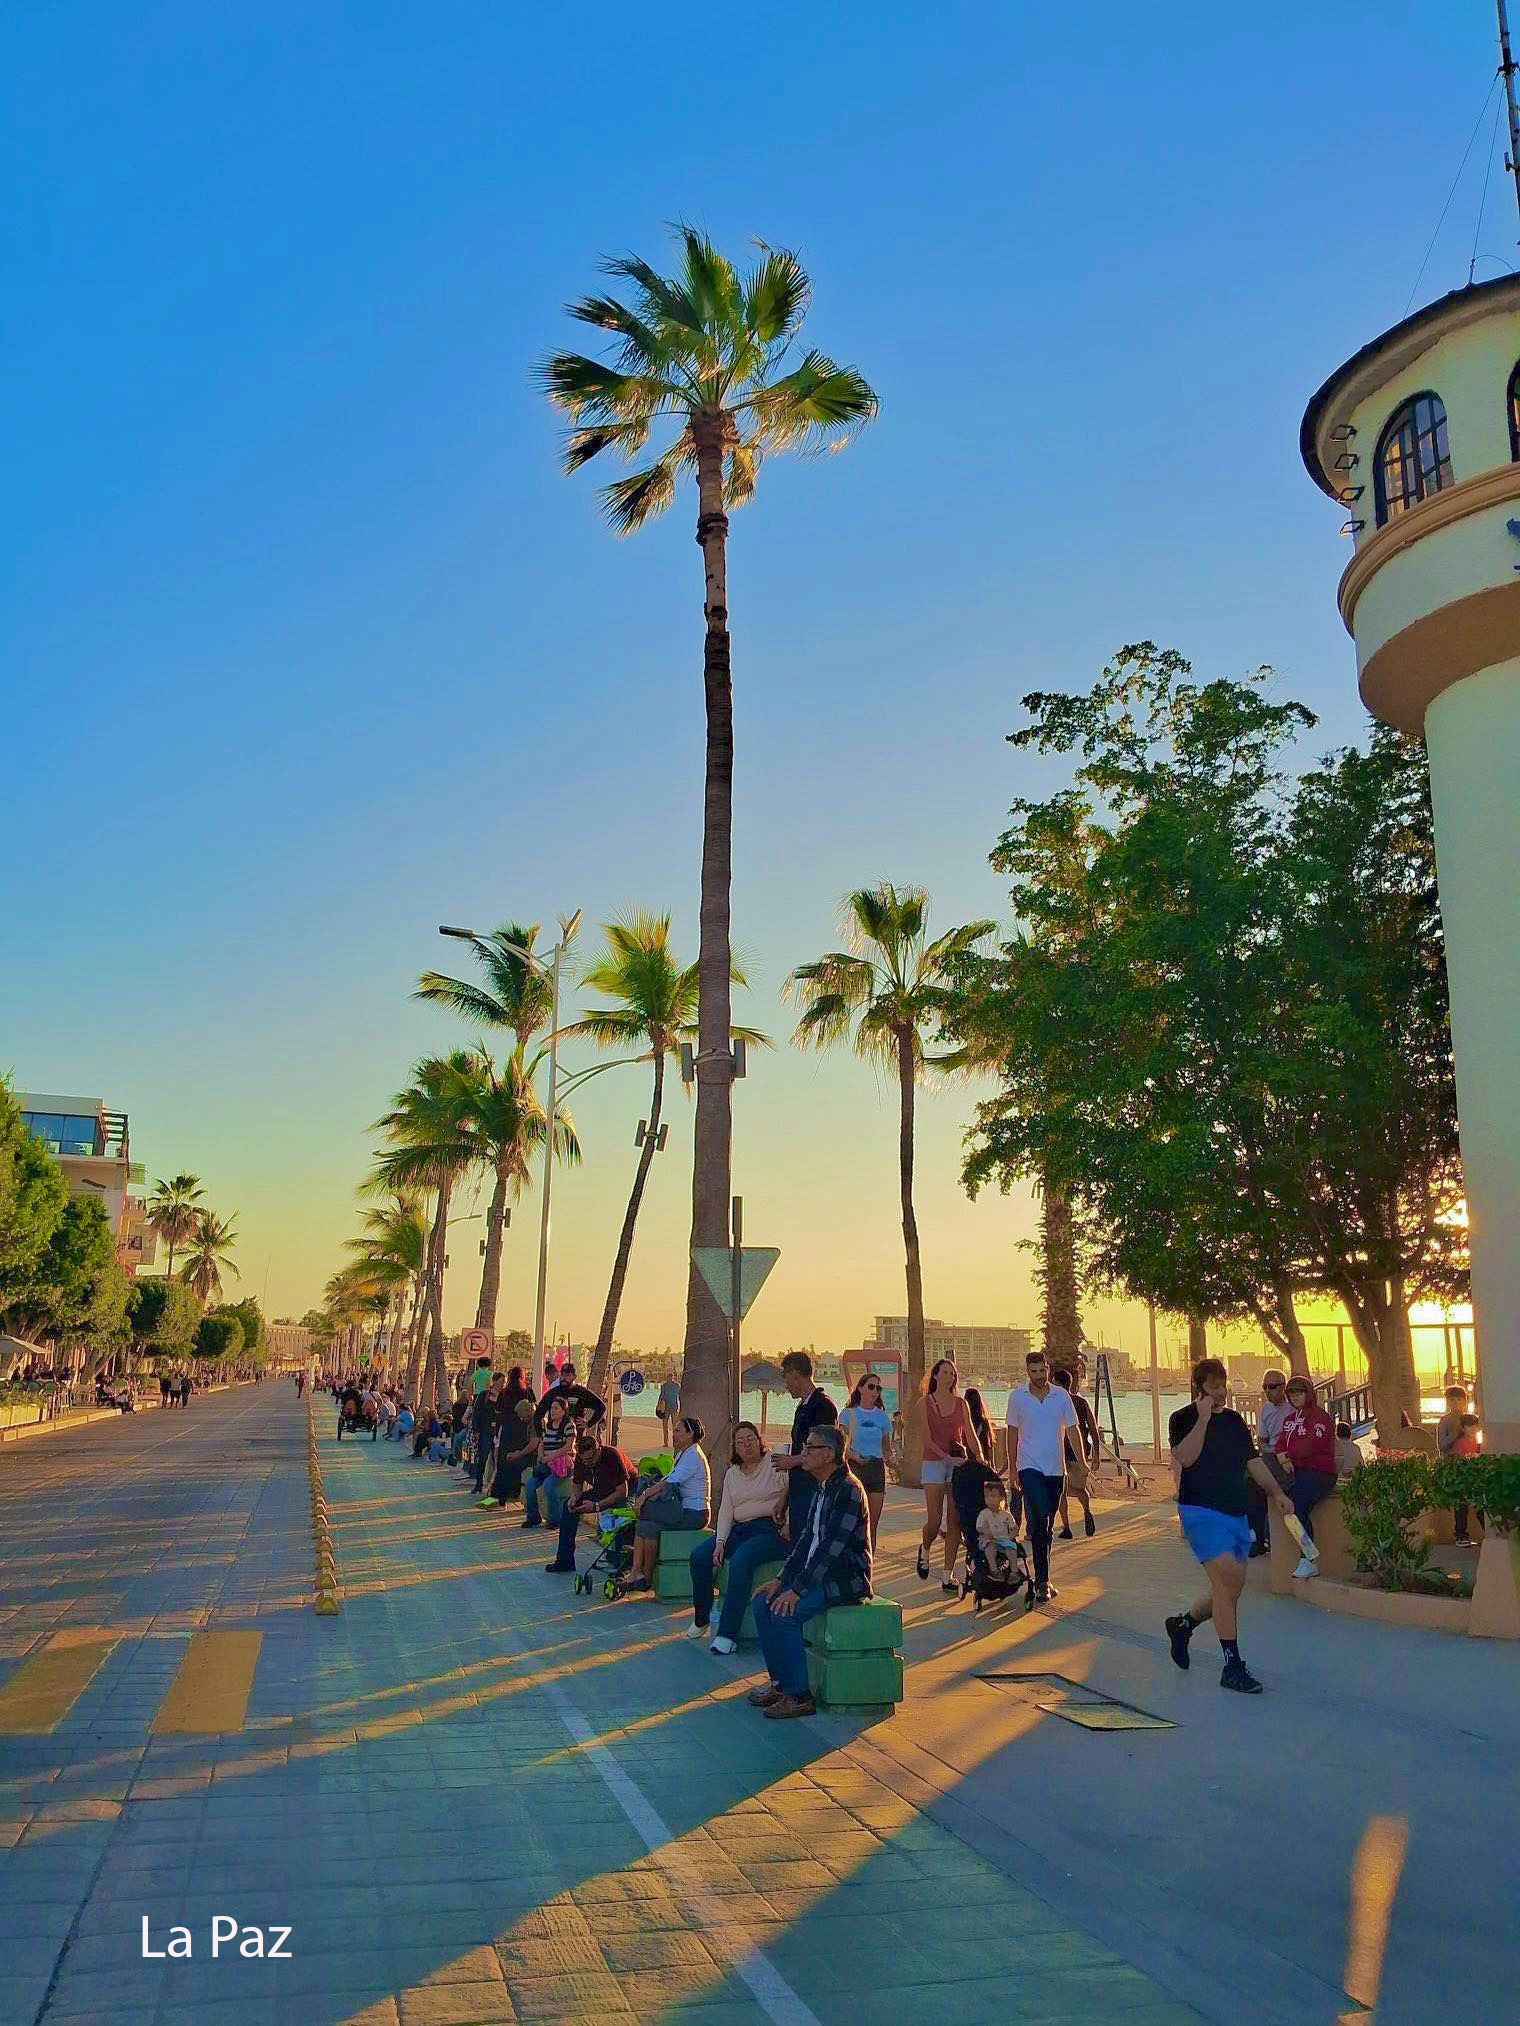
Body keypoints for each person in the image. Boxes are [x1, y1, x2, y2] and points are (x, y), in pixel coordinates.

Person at [1165, 1357, 1296, 1694]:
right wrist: (1203, 1419)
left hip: (1236, 1513)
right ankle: (1232, 1665)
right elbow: (1186, 1457)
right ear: (1199, 1388)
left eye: (1223, 1386)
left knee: (1230, 1589)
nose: (1221, 1392)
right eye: (1214, 1387)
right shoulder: (1182, 1418)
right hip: (1199, 1512)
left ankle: (1184, 1625)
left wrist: (1277, 1493)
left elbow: (1253, 1462)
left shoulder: (1235, 1422)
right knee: (1227, 1581)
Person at [749, 1425, 872, 1721]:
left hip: (844, 1580)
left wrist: (796, 1590)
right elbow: (806, 1541)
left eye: (810, 1447)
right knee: (762, 1603)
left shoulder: (848, 1490)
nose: (803, 1453)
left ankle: (799, 1696)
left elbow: (830, 1550)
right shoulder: (823, 1486)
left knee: (784, 1614)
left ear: (828, 1454)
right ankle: (781, 1684)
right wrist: (781, 1580)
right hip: (818, 1575)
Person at [689, 1422, 787, 1652]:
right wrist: (720, 1542)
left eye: (751, 1439)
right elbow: (726, 1510)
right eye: (740, 1441)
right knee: (699, 1556)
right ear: (735, 1447)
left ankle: (727, 1634)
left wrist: (788, 1522)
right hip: (741, 1528)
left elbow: (792, 1490)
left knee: (742, 1560)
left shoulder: (774, 1464)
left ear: (760, 1441)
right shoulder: (732, 1473)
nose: (747, 1445)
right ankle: (701, 1618)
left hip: (771, 1529)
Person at [1004, 1350, 1077, 1603]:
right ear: (1027, 1371)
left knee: (1045, 1525)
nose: (1038, 1375)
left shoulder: (1061, 1396)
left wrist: (1083, 1461)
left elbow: (1073, 1429)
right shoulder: (1017, 1397)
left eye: (1042, 1370)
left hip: (1055, 1469)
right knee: (1041, 1519)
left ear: (1048, 1368)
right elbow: (1012, 1433)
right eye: (1033, 1371)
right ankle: (1042, 1582)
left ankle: (1043, 1576)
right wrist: (1013, 1468)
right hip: (1029, 1466)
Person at [910, 1360, 982, 1592]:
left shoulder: (961, 1403)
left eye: (953, 1373)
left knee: (955, 1520)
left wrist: (980, 1457)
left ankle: (947, 1575)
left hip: (957, 1464)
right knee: (934, 1520)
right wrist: (945, 1458)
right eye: (945, 1372)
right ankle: (925, 1548)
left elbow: (969, 1433)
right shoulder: (924, 1403)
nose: (949, 1376)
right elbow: (927, 1439)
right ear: (935, 1375)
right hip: (933, 1462)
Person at [628, 1416, 711, 1589]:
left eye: (678, 1431)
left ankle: (645, 1575)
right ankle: (636, 1572)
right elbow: (667, 1478)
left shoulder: (693, 1455)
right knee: (645, 1522)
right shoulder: (683, 1453)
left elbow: (669, 1482)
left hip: (695, 1514)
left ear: (690, 1434)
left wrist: (644, 1496)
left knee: (647, 1521)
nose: (674, 1435)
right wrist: (647, 1496)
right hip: (682, 1509)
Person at [1272, 1375, 1338, 1578]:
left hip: (1320, 1472)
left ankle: (1308, 1560)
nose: (1295, 1396)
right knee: (1288, 1509)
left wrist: (1288, 1456)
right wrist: (1284, 1458)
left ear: (1308, 1393)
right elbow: (1279, 1444)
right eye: (1291, 1393)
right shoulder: (1289, 1420)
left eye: (1299, 1392)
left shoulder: (1320, 1418)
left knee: (1297, 1506)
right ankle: (1258, 1535)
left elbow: (1311, 1445)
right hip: (1297, 1472)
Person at [544, 1433, 637, 1573]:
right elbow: (577, 1485)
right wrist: (574, 1499)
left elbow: (622, 1492)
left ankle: (622, 1562)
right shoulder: (581, 1459)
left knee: (621, 1516)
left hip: (626, 1489)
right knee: (568, 1508)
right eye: (584, 1460)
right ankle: (564, 1561)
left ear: (598, 1450)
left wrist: (597, 1506)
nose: (587, 1463)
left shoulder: (612, 1456)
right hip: (601, 1487)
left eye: (590, 1459)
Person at [772, 1352, 838, 1547]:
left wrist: (790, 1461)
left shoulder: (823, 1406)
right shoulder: (803, 1407)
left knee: (810, 1544)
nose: (785, 1383)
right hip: (799, 1488)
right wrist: (785, 1496)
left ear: (795, 1374)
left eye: (785, 1376)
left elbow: (823, 1451)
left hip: (814, 1488)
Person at [839, 1375, 895, 1550]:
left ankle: (868, 1562)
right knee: (853, 1523)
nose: (875, 1391)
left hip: (876, 1469)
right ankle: (850, 1559)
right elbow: (841, 1446)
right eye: (871, 1387)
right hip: (855, 1468)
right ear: (860, 1388)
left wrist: (893, 1461)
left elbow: (886, 1448)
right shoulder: (848, 1414)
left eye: (878, 1388)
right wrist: (854, 1456)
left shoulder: (882, 1417)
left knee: (871, 1525)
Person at [1246, 1371, 1291, 1555]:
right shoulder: (1266, 1409)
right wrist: (1272, 1450)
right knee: (1250, 1487)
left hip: (1287, 1458)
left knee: (1276, 1491)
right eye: (1264, 1387)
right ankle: (1256, 1538)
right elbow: (1262, 1441)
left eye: (1271, 1387)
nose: (1267, 1391)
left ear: (1283, 1387)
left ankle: (1268, 1537)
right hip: (1270, 1455)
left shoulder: (1292, 1408)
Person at [1052, 1366, 1100, 1539]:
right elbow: (1094, 1429)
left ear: (1058, 1384)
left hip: (1061, 1452)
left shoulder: (1055, 1403)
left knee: (1062, 1492)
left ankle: (1067, 1527)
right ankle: (1085, 1510)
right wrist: (1096, 1454)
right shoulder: (1081, 1402)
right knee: (1078, 1489)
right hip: (1079, 1453)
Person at [520, 1396, 576, 1529]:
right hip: (546, 1465)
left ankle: (555, 1519)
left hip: (562, 1465)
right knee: (530, 1485)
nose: (553, 1411)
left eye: (556, 1408)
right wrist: (541, 1456)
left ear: (563, 1411)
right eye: (551, 1408)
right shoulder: (548, 1426)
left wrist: (550, 1457)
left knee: (549, 1485)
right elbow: (542, 1443)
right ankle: (533, 1517)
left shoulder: (569, 1426)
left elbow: (568, 1447)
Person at [1437, 1385, 1481, 1542]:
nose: (1456, 1403)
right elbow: (1441, 1446)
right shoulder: (1445, 1421)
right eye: (1452, 1400)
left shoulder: (1469, 1419)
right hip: (1454, 1468)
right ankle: (1461, 1535)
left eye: (1459, 1400)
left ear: (1465, 1400)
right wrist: (1455, 1434)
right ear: (1448, 1401)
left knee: (1477, 1502)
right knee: (1460, 1503)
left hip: (1471, 1467)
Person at [534, 1362, 606, 1436]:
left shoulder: (581, 1392)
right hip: (554, 1436)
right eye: (562, 1375)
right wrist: (540, 1434)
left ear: (574, 1376)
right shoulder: (553, 1393)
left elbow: (601, 1407)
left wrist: (589, 1424)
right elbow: (538, 1413)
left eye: (568, 1375)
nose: (564, 1378)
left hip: (575, 1436)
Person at [975, 1478, 1021, 1582]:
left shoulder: (1006, 1515)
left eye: (993, 1496)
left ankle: (1014, 1571)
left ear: (1001, 1498)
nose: (989, 1499)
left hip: (1004, 1540)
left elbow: (1013, 1527)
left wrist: (1013, 1532)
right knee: (990, 1546)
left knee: (1011, 1548)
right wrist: (985, 1530)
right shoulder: (984, 1513)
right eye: (987, 1497)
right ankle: (994, 1570)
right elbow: (979, 1527)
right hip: (989, 1540)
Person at [469, 1374, 504, 1496]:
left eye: (503, 1382)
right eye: (500, 1382)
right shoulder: (484, 1395)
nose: (502, 1385)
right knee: (482, 1458)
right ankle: (478, 1484)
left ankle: (495, 1486)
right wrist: (476, 1430)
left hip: (498, 1432)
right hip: (485, 1431)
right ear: (494, 1381)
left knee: (497, 1460)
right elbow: (476, 1413)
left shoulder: (504, 1396)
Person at [656, 1371, 681, 1447]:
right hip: (667, 1408)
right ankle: (667, 1442)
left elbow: (661, 1397)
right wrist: (658, 1405)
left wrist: (658, 1405)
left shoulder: (674, 1386)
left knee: (672, 1426)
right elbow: (661, 1397)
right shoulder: (673, 1385)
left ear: (672, 1377)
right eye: (669, 1377)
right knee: (668, 1425)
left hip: (672, 1407)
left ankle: (672, 1442)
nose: (669, 1378)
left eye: (670, 1377)